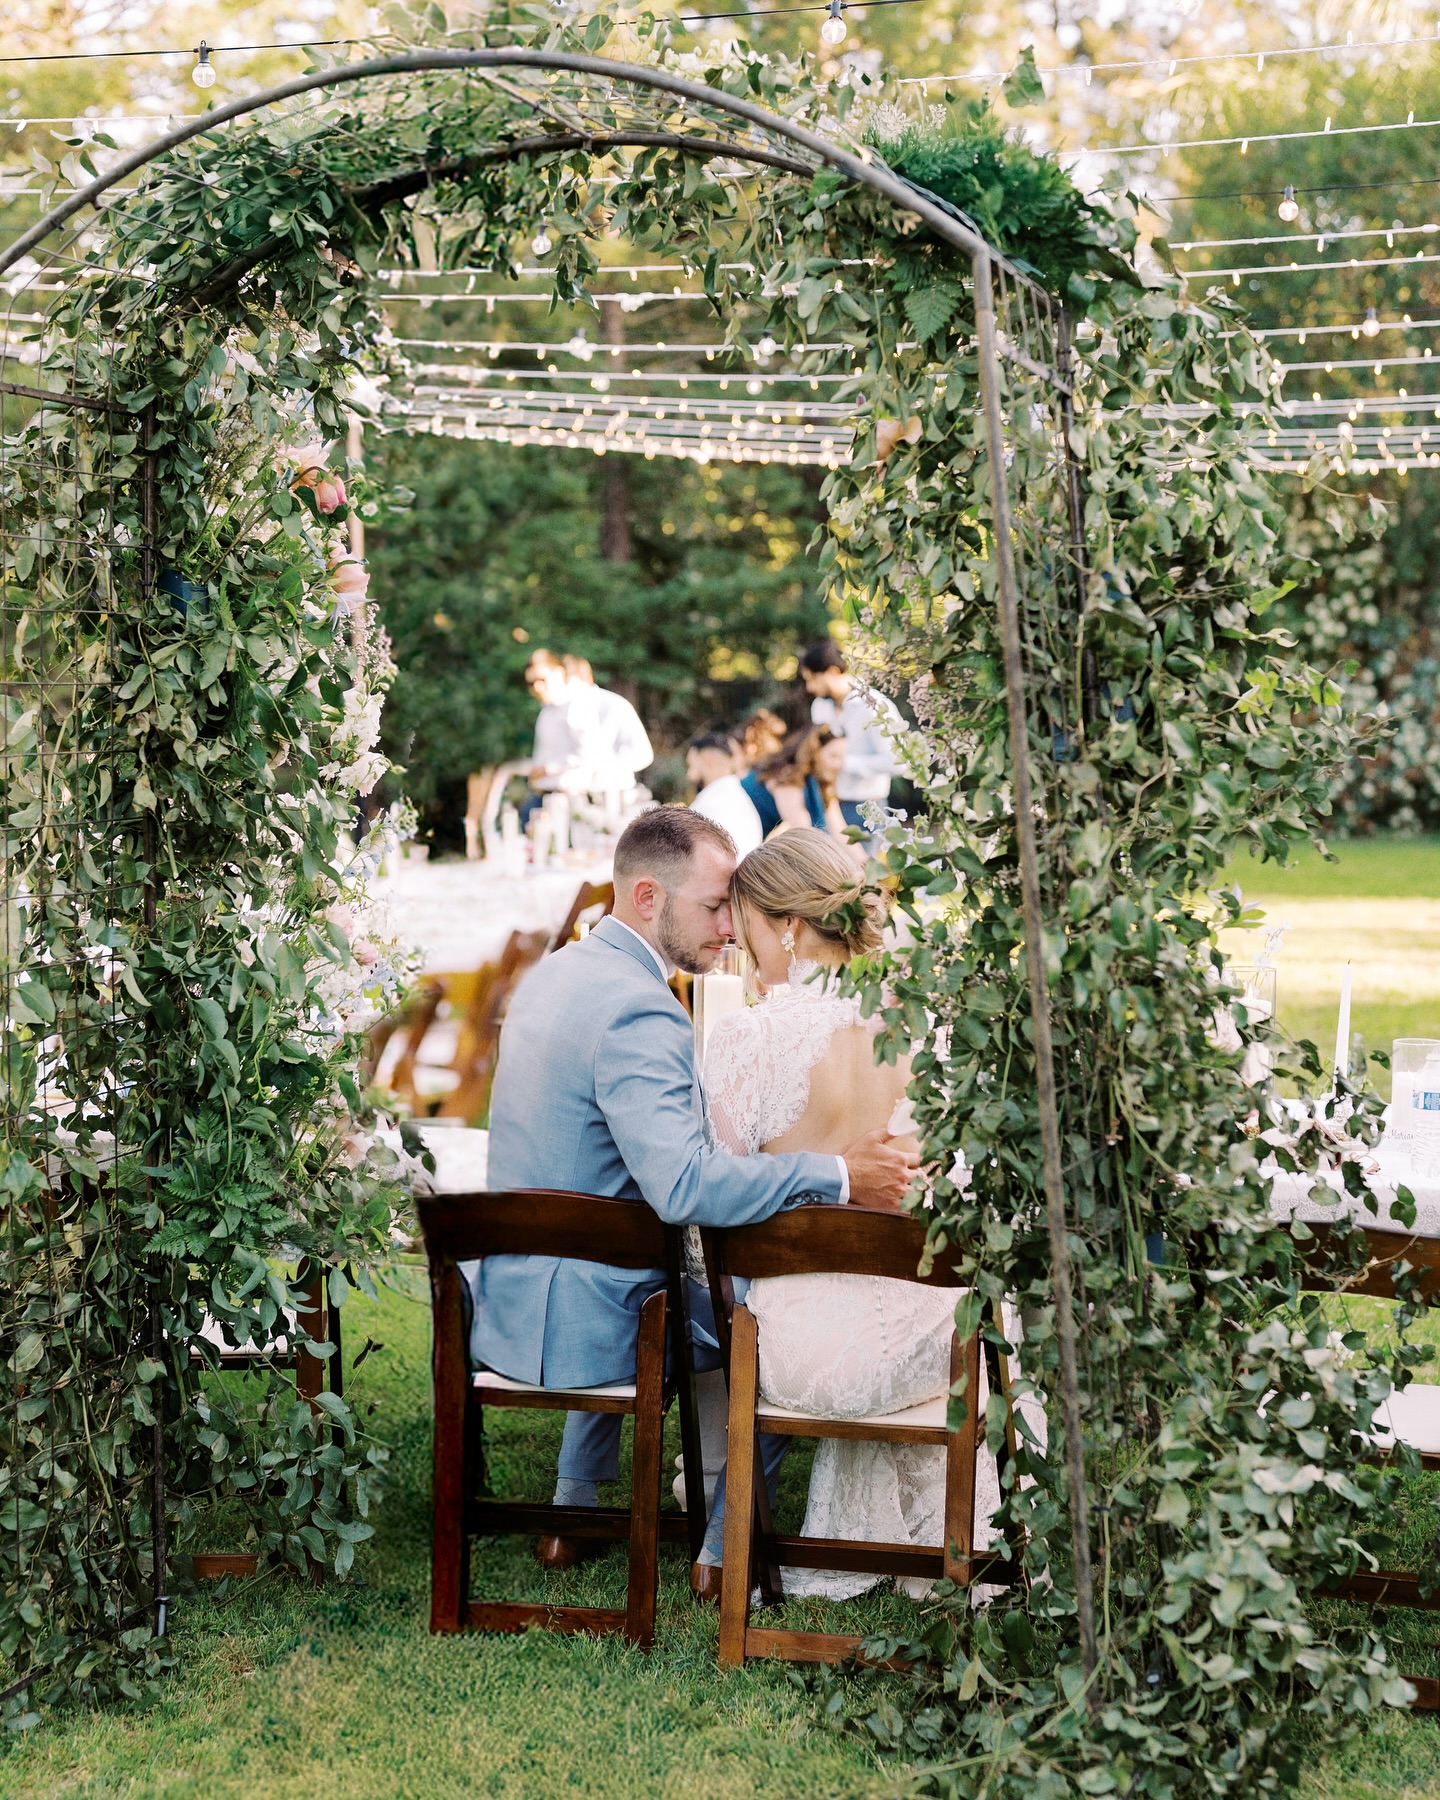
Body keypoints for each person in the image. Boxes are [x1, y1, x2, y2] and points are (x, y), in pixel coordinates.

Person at [472, 806, 918, 1600]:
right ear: (649, 897)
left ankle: (576, 1509)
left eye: (734, 912)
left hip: (515, 1290)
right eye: (714, 907)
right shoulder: (645, 1010)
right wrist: (840, 1174)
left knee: (695, 1260)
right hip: (594, 1310)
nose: (725, 929)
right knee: (756, 1289)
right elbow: (686, 1184)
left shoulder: (556, 975)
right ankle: (723, 1538)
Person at [705, 829, 1007, 1597]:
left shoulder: (745, 1037)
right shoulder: (925, 1022)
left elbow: (720, 1198)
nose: (744, 956)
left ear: (790, 928)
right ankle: (963, 1542)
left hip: (797, 1359)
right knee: (987, 1311)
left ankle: (729, 1534)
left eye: (747, 933)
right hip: (922, 1355)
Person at [799, 640, 904, 834]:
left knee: (861, 865)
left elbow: (899, 762)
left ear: (832, 672)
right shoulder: (820, 707)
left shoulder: (875, 707)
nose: (809, 687)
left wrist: (846, 763)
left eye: (812, 679)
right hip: (828, 803)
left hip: (867, 808)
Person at [740, 724, 848, 841]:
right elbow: (804, 834)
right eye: (833, 756)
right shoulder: (788, 776)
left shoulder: (820, 783)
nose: (839, 765)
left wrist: (864, 860)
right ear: (813, 752)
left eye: (842, 758)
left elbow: (840, 830)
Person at [687, 730, 763, 856]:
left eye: (691, 765)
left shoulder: (711, 804)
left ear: (708, 760)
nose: (689, 775)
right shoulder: (736, 798)